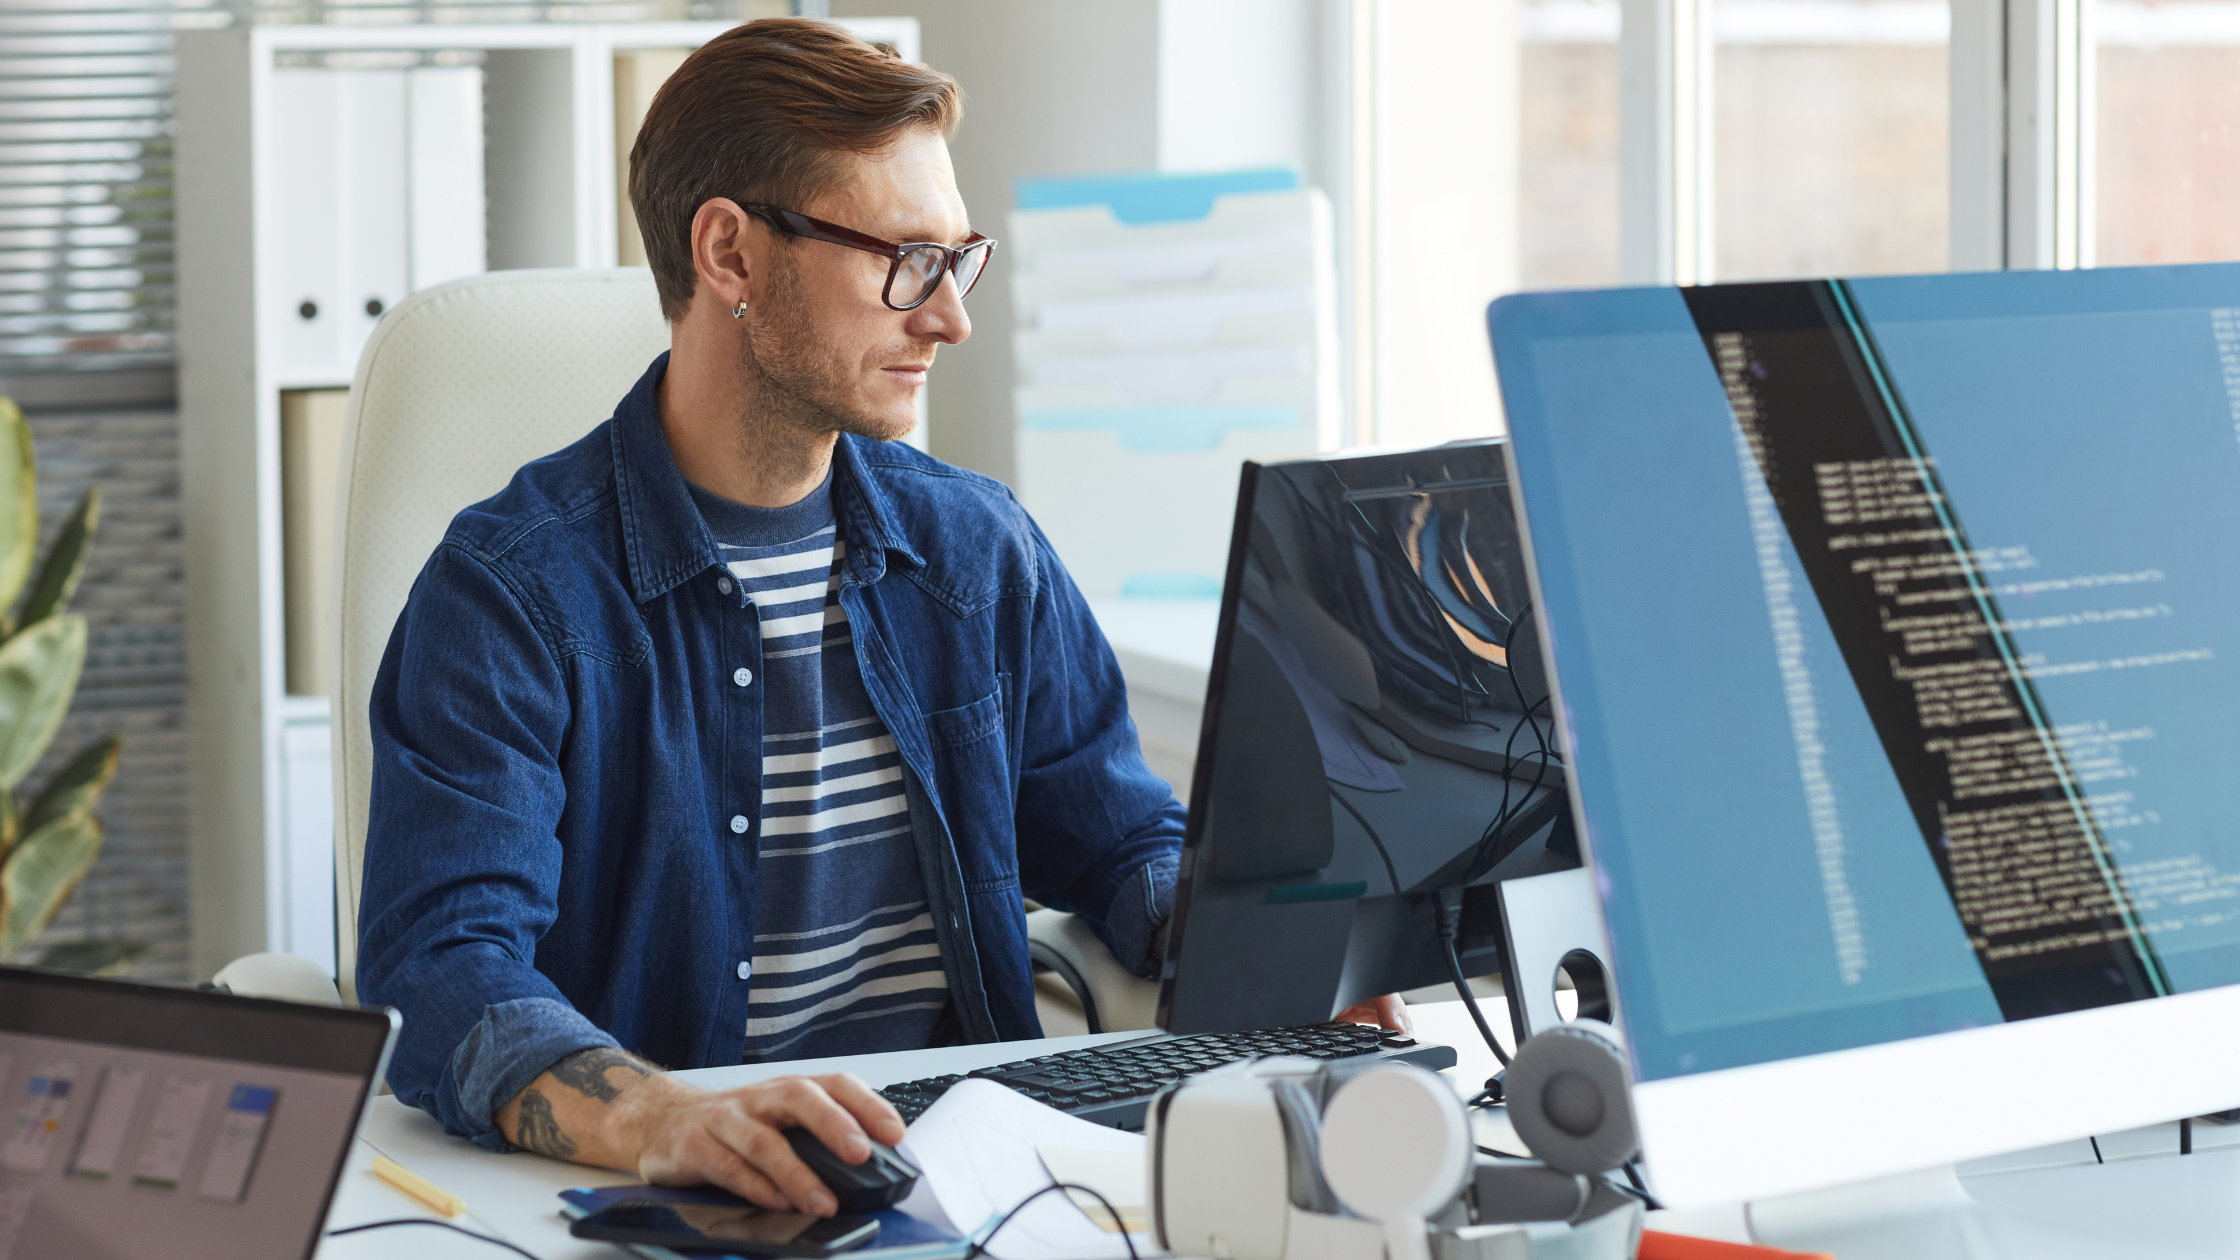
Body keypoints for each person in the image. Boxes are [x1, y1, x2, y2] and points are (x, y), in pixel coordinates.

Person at [355, 17, 1403, 1221]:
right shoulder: (515, 595)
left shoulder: (976, 551)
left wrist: (1273, 955)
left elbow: (1116, 842)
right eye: (906, 261)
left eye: (960, 261)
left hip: (979, 1178)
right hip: (677, 1197)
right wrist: (660, 1113)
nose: (949, 318)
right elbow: (443, 968)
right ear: (731, 256)